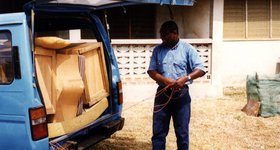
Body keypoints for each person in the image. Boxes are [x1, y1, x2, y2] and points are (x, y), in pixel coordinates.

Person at [147, 20, 206, 150]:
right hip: (162, 95)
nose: (163, 40)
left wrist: (186, 78)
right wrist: (164, 80)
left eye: (166, 37)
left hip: (181, 96)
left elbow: (201, 69)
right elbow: (151, 71)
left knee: (182, 133)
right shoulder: (158, 50)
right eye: (162, 37)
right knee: (158, 133)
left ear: (175, 33)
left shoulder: (187, 49)